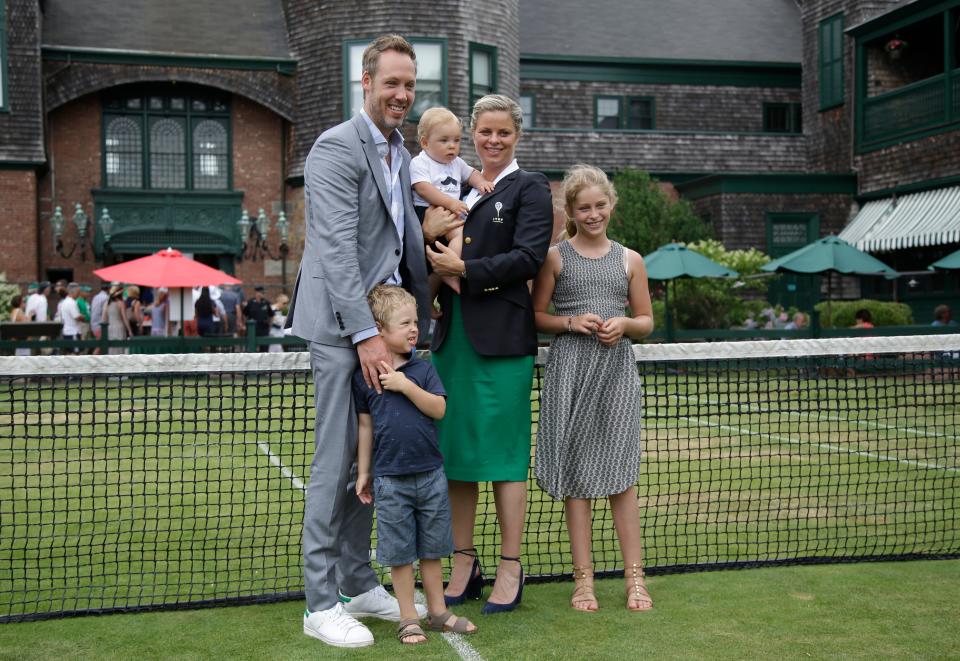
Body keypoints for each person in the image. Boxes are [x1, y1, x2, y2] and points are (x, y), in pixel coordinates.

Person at [286, 34, 430, 648]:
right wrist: (368, 336)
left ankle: (355, 579)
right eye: (391, 83)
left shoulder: (401, 151)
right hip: (345, 332)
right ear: (364, 83)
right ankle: (321, 602)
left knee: (370, 462)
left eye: (409, 85)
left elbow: (398, 241)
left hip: (383, 333)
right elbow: (337, 252)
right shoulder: (334, 148)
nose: (402, 95)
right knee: (336, 460)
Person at [423, 94, 553, 614]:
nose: (493, 140)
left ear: (516, 135)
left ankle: (510, 565)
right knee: (454, 459)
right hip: (452, 342)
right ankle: (463, 562)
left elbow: (527, 259)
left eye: (503, 132)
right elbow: (429, 247)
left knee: (503, 459)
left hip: (503, 343)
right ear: (473, 133)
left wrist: (464, 272)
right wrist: (432, 252)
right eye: (485, 132)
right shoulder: (453, 184)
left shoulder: (533, 187)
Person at [531, 164, 655, 612]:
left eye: (600, 205)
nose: (593, 213)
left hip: (617, 374)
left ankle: (634, 580)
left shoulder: (630, 259)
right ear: (571, 210)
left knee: (622, 477)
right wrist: (569, 322)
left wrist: (623, 324)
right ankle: (583, 581)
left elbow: (646, 321)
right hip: (570, 374)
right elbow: (534, 315)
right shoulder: (555, 257)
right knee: (579, 480)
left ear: (611, 206)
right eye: (584, 207)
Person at [353, 285, 477, 644]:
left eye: (416, 322)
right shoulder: (364, 377)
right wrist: (364, 472)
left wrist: (405, 385)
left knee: (434, 548)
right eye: (405, 322)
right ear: (379, 329)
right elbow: (365, 427)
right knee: (400, 552)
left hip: (431, 476)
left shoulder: (422, 371)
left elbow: (438, 409)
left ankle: (437, 612)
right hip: (390, 480)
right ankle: (408, 617)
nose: (414, 329)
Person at [411, 106, 495, 296]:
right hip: (426, 211)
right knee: (428, 262)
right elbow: (423, 188)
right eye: (444, 140)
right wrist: (450, 203)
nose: (452, 146)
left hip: (449, 212)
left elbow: (471, 173)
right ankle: (438, 282)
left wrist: (481, 182)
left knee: (460, 236)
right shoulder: (420, 162)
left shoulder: (456, 163)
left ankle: (449, 269)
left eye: (456, 140)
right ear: (425, 142)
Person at [242, 286, 273, 351]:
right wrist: (245, 324)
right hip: (253, 328)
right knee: (251, 347)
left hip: (264, 327)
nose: (263, 294)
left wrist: (270, 326)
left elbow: (271, 315)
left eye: (263, 293)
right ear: (257, 293)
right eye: (262, 293)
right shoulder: (250, 302)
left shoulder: (266, 303)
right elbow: (245, 314)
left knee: (264, 347)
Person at [103, 284, 132, 354]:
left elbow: (104, 319)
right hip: (119, 327)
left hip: (110, 328)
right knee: (120, 349)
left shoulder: (107, 303)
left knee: (111, 348)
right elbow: (125, 318)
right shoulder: (121, 303)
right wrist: (129, 330)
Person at [59, 283, 86, 352]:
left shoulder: (64, 302)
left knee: (70, 354)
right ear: (73, 292)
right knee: (75, 354)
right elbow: (77, 317)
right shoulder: (71, 302)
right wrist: (83, 317)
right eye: (78, 292)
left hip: (67, 331)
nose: (79, 294)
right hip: (73, 332)